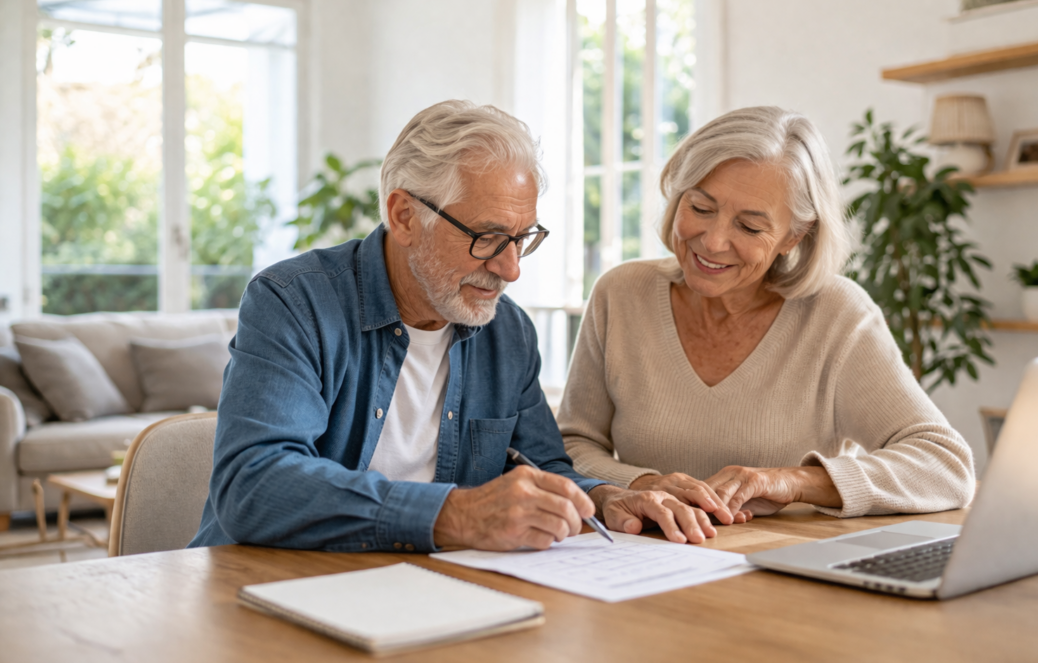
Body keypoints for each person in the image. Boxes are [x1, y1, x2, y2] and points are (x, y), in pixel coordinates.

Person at [190, 100, 714, 553]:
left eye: (522, 237)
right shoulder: (294, 302)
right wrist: (456, 515)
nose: (511, 269)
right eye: (486, 237)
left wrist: (602, 496)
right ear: (404, 217)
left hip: (428, 590)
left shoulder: (507, 332)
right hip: (265, 587)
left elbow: (544, 466)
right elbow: (253, 486)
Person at [559, 106, 977, 525]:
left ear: (794, 235)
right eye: (701, 208)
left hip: (785, 567)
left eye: (750, 227)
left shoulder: (836, 314)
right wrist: (640, 483)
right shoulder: (621, 294)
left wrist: (794, 481)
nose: (714, 241)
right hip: (647, 559)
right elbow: (569, 445)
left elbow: (945, 467)